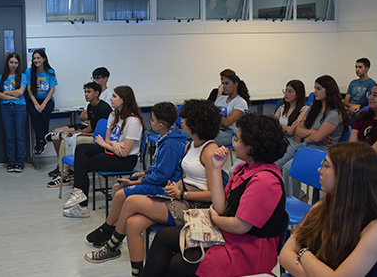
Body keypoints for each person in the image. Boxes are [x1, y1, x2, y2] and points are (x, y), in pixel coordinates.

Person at [83, 99, 221, 277]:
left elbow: (214, 195)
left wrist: (180, 192)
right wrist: (176, 187)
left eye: (184, 119)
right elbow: (184, 177)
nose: (181, 121)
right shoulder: (191, 145)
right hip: (180, 197)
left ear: (194, 123)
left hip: (193, 208)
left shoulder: (209, 151)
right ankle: (137, 273)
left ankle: (112, 245)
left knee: (131, 200)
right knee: (132, 224)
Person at [143, 113, 288, 277]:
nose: (234, 142)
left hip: (247, 251)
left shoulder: (265, 181)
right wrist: (216, 168)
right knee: (163, 237)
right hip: (230, 236)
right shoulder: (244, 168)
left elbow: (240, 226)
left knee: (176, 264)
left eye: (238, 140)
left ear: (251, 148)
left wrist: (215, 219)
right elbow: (220, 207)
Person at [280, 142, 377, 276]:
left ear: (347, 175)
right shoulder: (323, 206)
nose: (319, 169)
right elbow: (284, 255)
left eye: (326, 165)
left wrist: (303, 253)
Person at [85, 102, 187, 247]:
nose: (150, 122)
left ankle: (107, 228)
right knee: (116, 188)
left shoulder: (171, 145)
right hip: (157, 180)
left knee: (121, 194)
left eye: (152, 119)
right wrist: (144, 173)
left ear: (161, 125)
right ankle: (112, 228)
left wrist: (135, 183)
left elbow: (161, 176)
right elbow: (158, 166)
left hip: (164, 187)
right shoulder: (166, 137)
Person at [62, 86, 145, 218]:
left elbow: (124, 153)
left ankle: (82, 206)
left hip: (126, 160)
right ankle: (78, 191)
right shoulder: (113, 115)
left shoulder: (133, 121)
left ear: (123, 100)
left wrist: (107, 145)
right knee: (81, 149)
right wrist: (115, 144)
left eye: (114, 96)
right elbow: (107, 139)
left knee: (83, 163)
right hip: (112, 150)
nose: (110, 99)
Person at [277, 75, 350, 198]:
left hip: (322, 151)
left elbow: (316, 138)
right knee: (277, 163)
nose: (315, 92)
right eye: (315, 88)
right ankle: (290, 196)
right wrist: (313, 132)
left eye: (319, 89)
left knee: (289, 168)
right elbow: (299, 131)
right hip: (306, 145)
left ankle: (292, 200)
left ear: (329, 91)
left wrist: (311, 134)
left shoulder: (334, 113)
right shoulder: (314, 108)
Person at [47, 67, 113, 178]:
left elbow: (100, 131)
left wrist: (81, 134)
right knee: (61, 134)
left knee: (66, 140)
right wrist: (78, 133)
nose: (86, 94)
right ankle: (63, 167)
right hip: (89, 129)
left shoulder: (105, 104)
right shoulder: (92, 104)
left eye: (89, 92)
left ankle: (64, 173)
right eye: (85, 92)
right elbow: (83, 118)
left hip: (100, 137)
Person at [0, 52, 28, 173]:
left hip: (20, 109)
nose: (13, 65)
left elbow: (20, 93)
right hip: (6, 109)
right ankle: (11, 163)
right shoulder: (1, 77)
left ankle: (20, 163)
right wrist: (12, 96)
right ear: (7, 63)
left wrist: (6, 93)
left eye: (16, 63)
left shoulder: (23, 76)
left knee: (20, 136)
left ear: (18, 64)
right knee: (9, 137)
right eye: (11, 62)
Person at [25, 49, 57, 155]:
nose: (36, 60)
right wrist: (36, 104)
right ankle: (41, 139)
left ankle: (42, 139)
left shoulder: (50, 72)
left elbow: (52, 90)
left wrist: (43, 104)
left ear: (43, 59)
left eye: (38, 58)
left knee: (45, 112)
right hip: (34, 99)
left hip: (47, 100)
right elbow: (29, 90)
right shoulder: (29, 72)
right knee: (34, 113)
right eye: (34, 58)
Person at [214, 74, 250, 146]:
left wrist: (216, 116)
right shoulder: (221, 99)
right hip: (219, 129)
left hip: (232, 134)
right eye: (222, 84)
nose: (224, 86)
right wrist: (223, 117)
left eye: (227, 83)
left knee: (203, 136)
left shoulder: (240, 102)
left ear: (235, 84)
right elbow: (211, 116)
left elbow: (227, 123)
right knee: (196, 131)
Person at [274, 79, 308, 146]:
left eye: (290, 91)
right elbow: (271, 125)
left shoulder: (304, 110)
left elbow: (291, 131)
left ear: (298, 94)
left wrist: (278, 126)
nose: (286, 94)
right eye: (286, 90)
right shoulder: (282, 108)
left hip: (293, 141)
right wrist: (286, 128)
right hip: (280, 138)